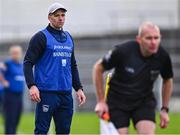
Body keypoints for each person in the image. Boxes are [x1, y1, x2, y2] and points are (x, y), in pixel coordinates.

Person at [93, 21, 173, 134]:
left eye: (156, 38)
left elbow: (167, 80)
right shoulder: (123, 51)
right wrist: (101, 101)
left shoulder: (163, 56)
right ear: (139, 39)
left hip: (143, 101)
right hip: (117, 102)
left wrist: (164, 109)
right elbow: (98, 68)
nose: (153, 42)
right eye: (149, 38)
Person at [23, 2, 86, 134]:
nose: (60, 18)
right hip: (46, 93)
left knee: (64, 132)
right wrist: (32, 85)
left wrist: (78, 88)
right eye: (57, 15)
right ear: (49, 18)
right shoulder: (40, 37)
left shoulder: (69, 37)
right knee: (41, 131)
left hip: (65, 94)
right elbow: (28, 62)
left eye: (63, 15)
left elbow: (72, 65)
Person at [0, 45, 25, 134]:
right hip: (10, 95)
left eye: (18, 52)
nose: (16, 54)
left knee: (17, 118)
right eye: (14, 53)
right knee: (10, 118)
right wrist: (4, 82)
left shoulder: (21, 65)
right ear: (11, 54)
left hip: (19, 95)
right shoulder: (7, 63)